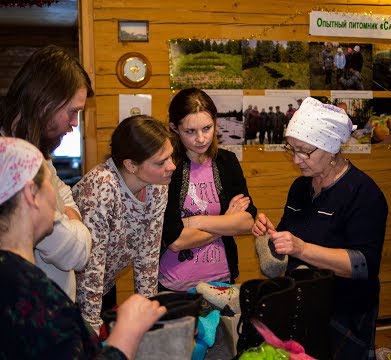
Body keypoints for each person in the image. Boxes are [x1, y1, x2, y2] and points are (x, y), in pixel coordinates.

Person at [0, 137, 167, 359]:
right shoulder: (31, 294)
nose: (63, 195)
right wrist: (126, 333)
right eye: (51, 183)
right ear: (32, 195)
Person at [252, 97, 388, 359]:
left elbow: (364, 265)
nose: (296, 159)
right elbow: (287, 244)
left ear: (332, 147)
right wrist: (272, 237)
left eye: (305, 151)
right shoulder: (301, 187)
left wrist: (302, 248)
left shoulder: (363, 193)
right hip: (303, 303)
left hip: (346, 312)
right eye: (291, 149)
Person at [0, 45, 92, 300]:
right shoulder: (12, 165)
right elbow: (76, 252)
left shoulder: (35, 150)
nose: (75, 123)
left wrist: (66, 212)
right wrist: (74, 218)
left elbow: (64, 192)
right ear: (45, 101)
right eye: (72, 111)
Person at [72, 115, 175, 333]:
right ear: (131, 165)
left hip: (104, 284)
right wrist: (90, 329)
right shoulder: (101, 188)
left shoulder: (157, 185)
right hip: (69, 289)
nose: (172, 166)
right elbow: (91, 267)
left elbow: (148, 256)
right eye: (161, 162)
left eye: (170, 157)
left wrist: (148, 320)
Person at [160, 88, 257, 291]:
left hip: (222, 282)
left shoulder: (226, 161)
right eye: (190, 132)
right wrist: (225, 222)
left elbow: (247, 221)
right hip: (175, 287)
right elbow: (175, 240)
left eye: (207, 128)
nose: (201, 139)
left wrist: (194, 222)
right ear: (174, 128)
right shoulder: (167, 167)